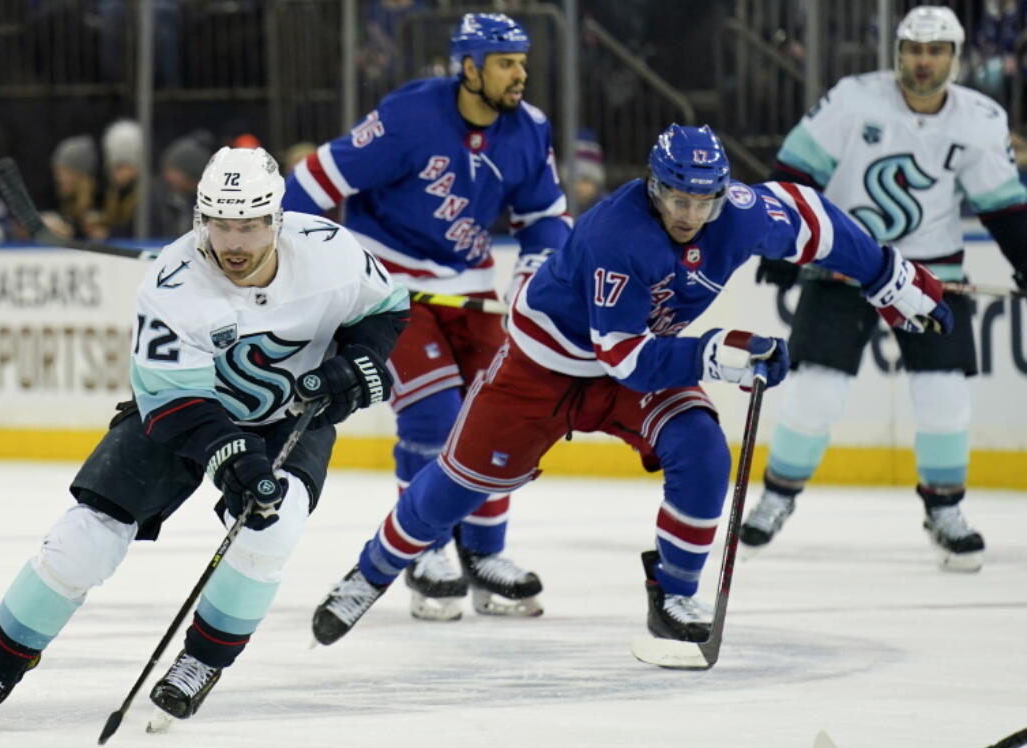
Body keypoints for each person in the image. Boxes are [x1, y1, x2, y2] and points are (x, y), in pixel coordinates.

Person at [310, 123, 953, 648]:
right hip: (548, 365)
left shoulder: (739, 213)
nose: (690, 213)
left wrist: (885, 276)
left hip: (630, 363)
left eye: (704, 201)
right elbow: (626, 359)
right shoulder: (614, 236)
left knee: (702, 450)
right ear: (653, 186)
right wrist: (717, 353)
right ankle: (370, 574)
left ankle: (673, 594)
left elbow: (814, 221)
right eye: (677, 198)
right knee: (459, 482)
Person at [0, 147, 409, 729]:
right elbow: (175, 401)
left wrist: (358, 364)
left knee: (271, 529)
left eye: (250, 225)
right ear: (200, 220)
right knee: (84, 536)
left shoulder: (330, 252)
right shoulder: (172, 285)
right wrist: (229, 454)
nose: (234, 242)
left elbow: (385, 310)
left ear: (277, 220)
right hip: (185, 414)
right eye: (221, 224)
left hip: (290, 413)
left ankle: (200, 663)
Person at [283, 12, 571, 622]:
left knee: (505, 414)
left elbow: (544, 218)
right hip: (385, 289)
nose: (520, 74)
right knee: (434, 411)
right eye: (505, 62)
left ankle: (484, 552)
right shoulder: (409, 116)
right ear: (469, 67)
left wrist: (532, 272)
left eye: (522, 61)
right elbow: (315, 179)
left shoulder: (529, 129)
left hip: (466, 292)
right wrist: (277, 245)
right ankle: (426, 551)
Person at [739, 6, 1027, 573]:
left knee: (944, 396)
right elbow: (796, 172)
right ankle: (776, 498)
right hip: (849, 264)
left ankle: (945, 510)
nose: (924, 62)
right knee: (816, 390)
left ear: (955, 56)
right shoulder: (853, 99)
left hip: (932, 274)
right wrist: (779, 244)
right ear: (897, 53)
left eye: (937, 51)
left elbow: (1004, 205)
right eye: (914, 51)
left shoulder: (980, 119)